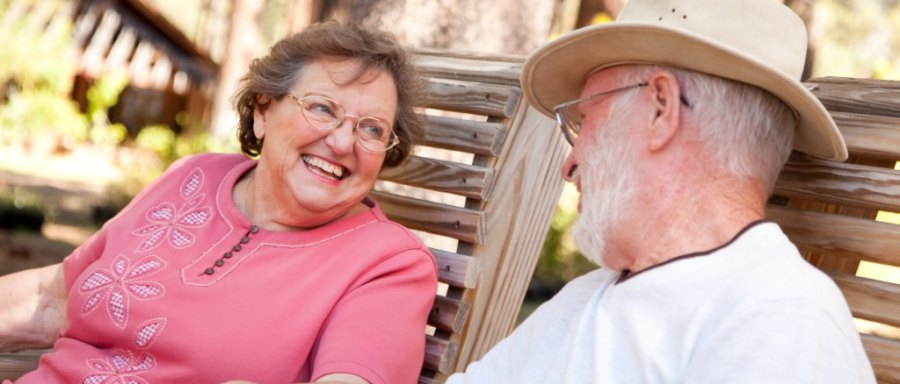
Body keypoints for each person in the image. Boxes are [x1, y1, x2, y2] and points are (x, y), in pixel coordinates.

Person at [447, 0, 876, 383]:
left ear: (660, 109)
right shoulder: (588, 295)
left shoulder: (779, 322)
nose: (569, 163)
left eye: (584, 122)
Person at [0, 21, 437, 384]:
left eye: (373, 130)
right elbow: (54, 298)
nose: (343, 142)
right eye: (323, 109)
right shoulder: (195, 175)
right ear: (263, 111)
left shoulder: (388, 264)